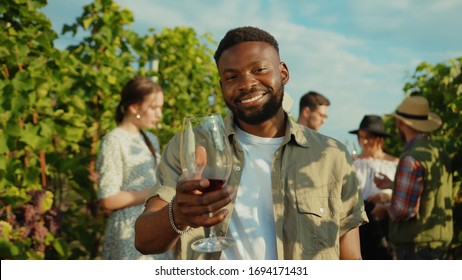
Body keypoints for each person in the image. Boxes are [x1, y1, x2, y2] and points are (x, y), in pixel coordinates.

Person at [134, 26, 368, 260]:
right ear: (222, 86)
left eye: (259, 69)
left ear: (283, 72)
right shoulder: (192, 145)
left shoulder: (331, 155)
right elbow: (144, 241)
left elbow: (351, 257)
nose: (246, 83)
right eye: (232, 77)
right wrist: (178, 214)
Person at [96, 76, 173, 260]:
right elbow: (108, 199)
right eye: (154, 108)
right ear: (134, 107)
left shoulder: (149, 139)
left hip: (154, 225)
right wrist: (156, 192)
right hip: (128, 233)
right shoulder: (113, 140)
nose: (159, 114)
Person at [372, 95, 453, 260]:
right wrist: (394, 184)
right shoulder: (438, 152)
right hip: (441, 243)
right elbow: (428, 190)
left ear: (401, 124)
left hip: (416, 248)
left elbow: (403, 209)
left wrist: (384, 209)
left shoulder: (411, 158)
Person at [349, 115, 399, 259]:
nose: (363, 141)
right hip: (359, 221)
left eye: (368, 137)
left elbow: (402, 191)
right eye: (361, 137)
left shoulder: (394, 163)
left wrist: (384, 196)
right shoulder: (353, 163)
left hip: (385, 221)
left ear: (379, 139)